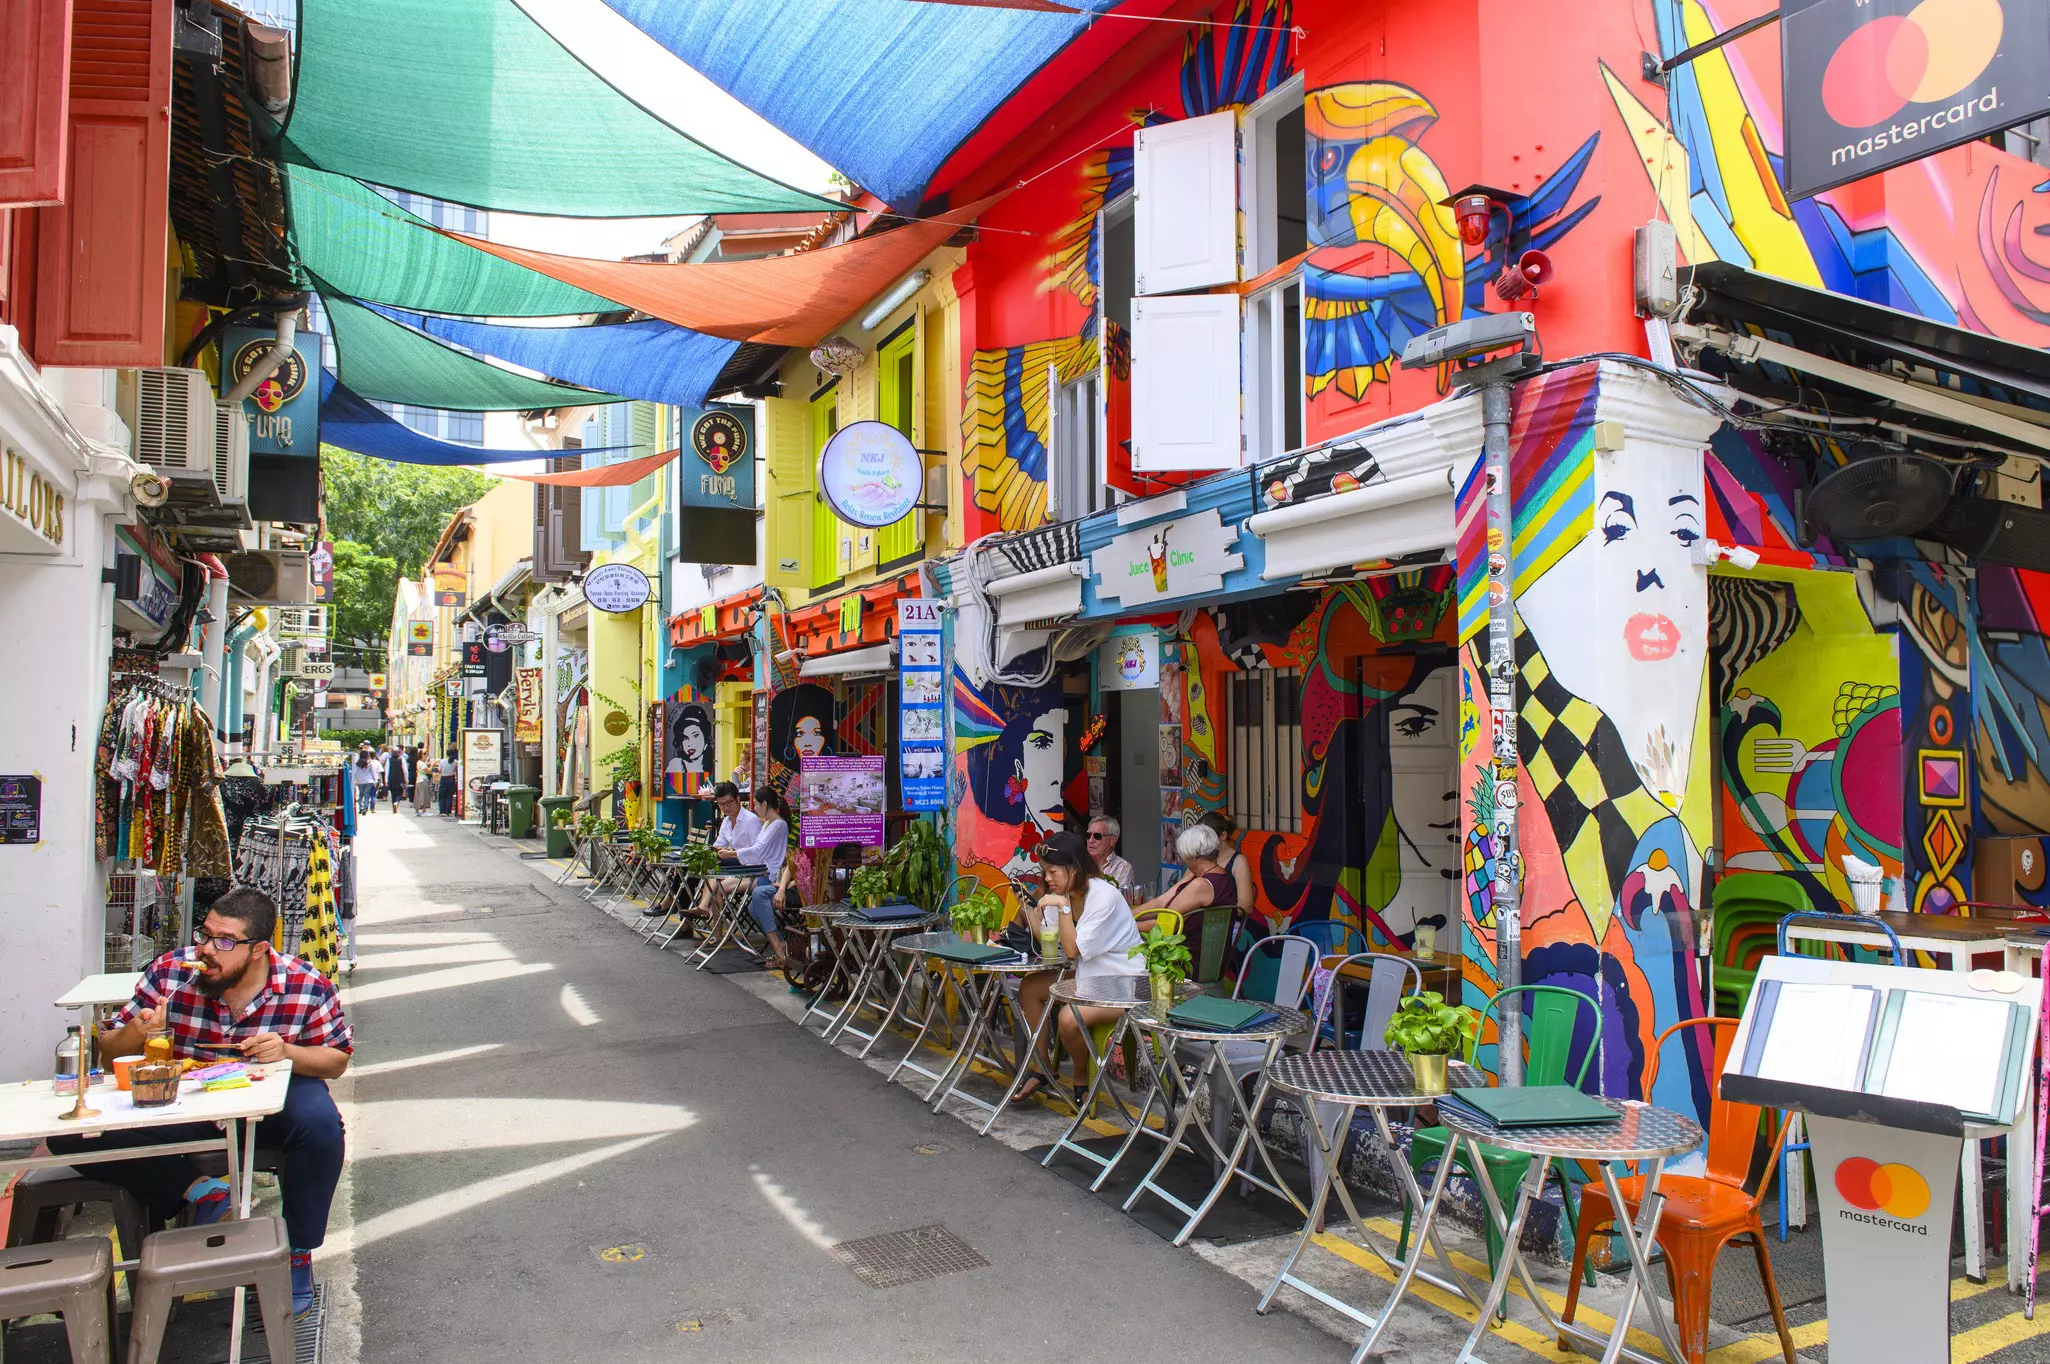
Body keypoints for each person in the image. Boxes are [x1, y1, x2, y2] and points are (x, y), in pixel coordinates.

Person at [55, 886, 351, 1322]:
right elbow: (108, 1052)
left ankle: (297, 1252)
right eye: (205, 935)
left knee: (321, 1127)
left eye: (225, 942)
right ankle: (202, 1190)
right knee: (70, 1133)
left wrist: (287, 1052)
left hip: (265, 1101)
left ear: (259, 950)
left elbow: (336, 1059)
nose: (208, 950)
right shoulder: (171, 973)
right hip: (184, 1100)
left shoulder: (306, 985)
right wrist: (140, 1030)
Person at [1010, 831, 1144, 1103]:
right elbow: (1047, 937)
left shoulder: (1102, 897)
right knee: (1029, 988)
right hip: (1090, 976)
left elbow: (1071, 950)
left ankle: (1081, 1078)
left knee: (1068, 1019)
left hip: (1125, 983)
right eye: (1045, 872)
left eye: (1052, 872)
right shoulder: (1064, 894)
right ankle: (1043, 1067)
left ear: (1073, 868)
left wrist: (1063, 909)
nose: (1047, 879)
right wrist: (1027, 907)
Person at [683, 782, 763, 922]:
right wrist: (720, 850)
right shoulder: (726, 822)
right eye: (721, 805)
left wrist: (732, 852)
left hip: (750, 867)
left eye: (729, 803)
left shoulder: (751, 820)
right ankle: (702, 910)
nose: (726, 808)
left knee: (711, 867)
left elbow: (757, 852)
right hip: (731, 866)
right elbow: (718, 845)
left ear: (738, 799)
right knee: (705, 864)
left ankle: (702, 909)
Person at [1138, 823, 1238, 930]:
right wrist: (1128, 914)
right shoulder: (1225, 876)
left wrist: (1129, 925)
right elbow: (1162, 902)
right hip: (1218, 946)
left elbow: (1165, 924)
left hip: (1188, 945)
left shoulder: (1201, 884)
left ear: (1191, 856)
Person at [737, 788, 795, 972]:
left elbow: (761, 850)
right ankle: (781, 943)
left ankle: (779, 947)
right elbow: (757, 849)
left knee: (758, 895)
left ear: (764, 804)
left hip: (772, 878)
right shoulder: (766, 824)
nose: (753, 807)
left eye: (755, 803)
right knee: (754, 908)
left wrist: (784, 887)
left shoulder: (779, 825)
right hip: (766, 874)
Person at [1199, 810, 1255, 912]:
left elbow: (1246, 906)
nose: (1203, 843)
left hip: (1227, 923)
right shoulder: (1200, 858)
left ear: (1223, 836)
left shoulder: (1239, 861)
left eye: (1208, 838)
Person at [1087, 816, 1135, 892]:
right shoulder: (1079, 863)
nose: (1091, 840)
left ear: (1112, 840)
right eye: (1088, 835)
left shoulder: (1123, 867)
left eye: (1097, 836)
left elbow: (1113, 899)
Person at [383, 744, 413, 814]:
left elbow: (387, 770)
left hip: (391, 778)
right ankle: (396, 802)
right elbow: (405, 770)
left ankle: (394, 804)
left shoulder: (389, 760)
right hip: (400, 779)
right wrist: (406, 780)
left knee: (393, 793)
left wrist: (386, 780)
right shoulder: (401, 759)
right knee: (400, 793)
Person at [350, 748, 379, 816]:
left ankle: (361, 807)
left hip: (360, 781)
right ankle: (365, 809)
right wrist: (375, 780)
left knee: (361, 794)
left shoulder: (357, 764)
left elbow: (354, 773)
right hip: (369, 781)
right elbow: (373, 773)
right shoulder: (370, 763)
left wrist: (354, 779)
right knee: (366, 795)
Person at [410, 745, 434, 814]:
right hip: (423, 780)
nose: (427, 757)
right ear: (422, 755)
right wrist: (432, 765)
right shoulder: (422, 763)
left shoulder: (419, 762)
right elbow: (428, 771)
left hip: (419, 780)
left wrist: (429, 763)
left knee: (418, 795)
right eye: (426, 755)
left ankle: (417, 810)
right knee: (424, 795)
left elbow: (426, 764)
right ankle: (424, 810)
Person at [437, 744, 459, 816]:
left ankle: (442, 811)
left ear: (446, 754)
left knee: (442, 796)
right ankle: (448, 812)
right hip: (451, 779)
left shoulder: (442, 761)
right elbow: (456, 771)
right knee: (449, 795)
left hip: (444, 779)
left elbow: (439, 770)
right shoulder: (455, 762)